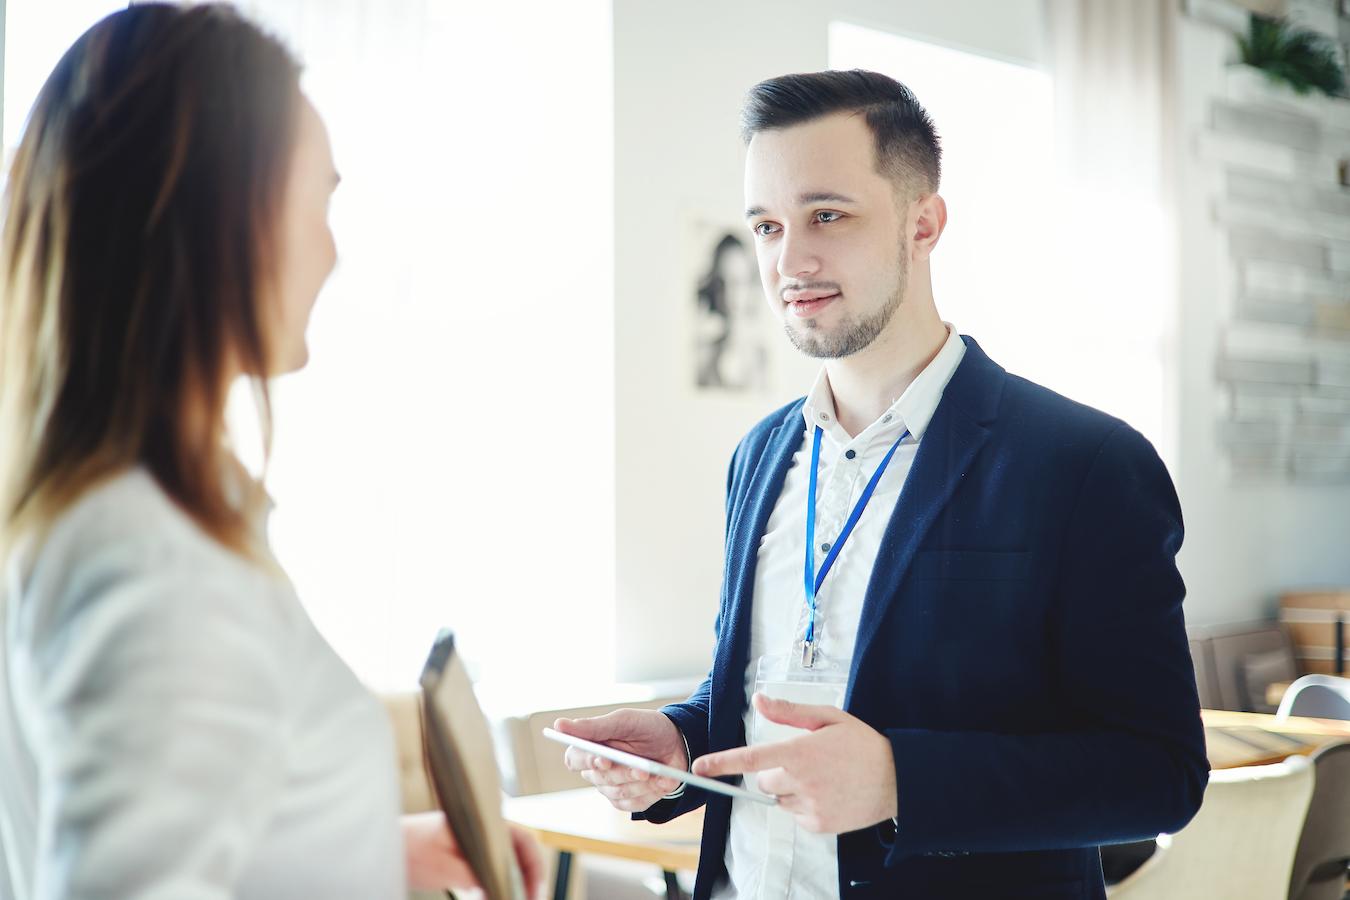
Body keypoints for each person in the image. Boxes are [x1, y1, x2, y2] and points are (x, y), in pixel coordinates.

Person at [557, 70, 1206, 899]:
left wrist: (904, 779)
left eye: (827, 215)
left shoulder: (1084, 464)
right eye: (766, 225)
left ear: (922, 222)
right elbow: (768, 680)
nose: (789, 260)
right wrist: (682, 740)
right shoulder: (758, 457)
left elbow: (1160, 775)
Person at [0, 6, 542, 898]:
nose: (332, 251)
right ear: (223, 210)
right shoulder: (157, 565)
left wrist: (375, 852)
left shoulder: (104, 506)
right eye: (323, 197)